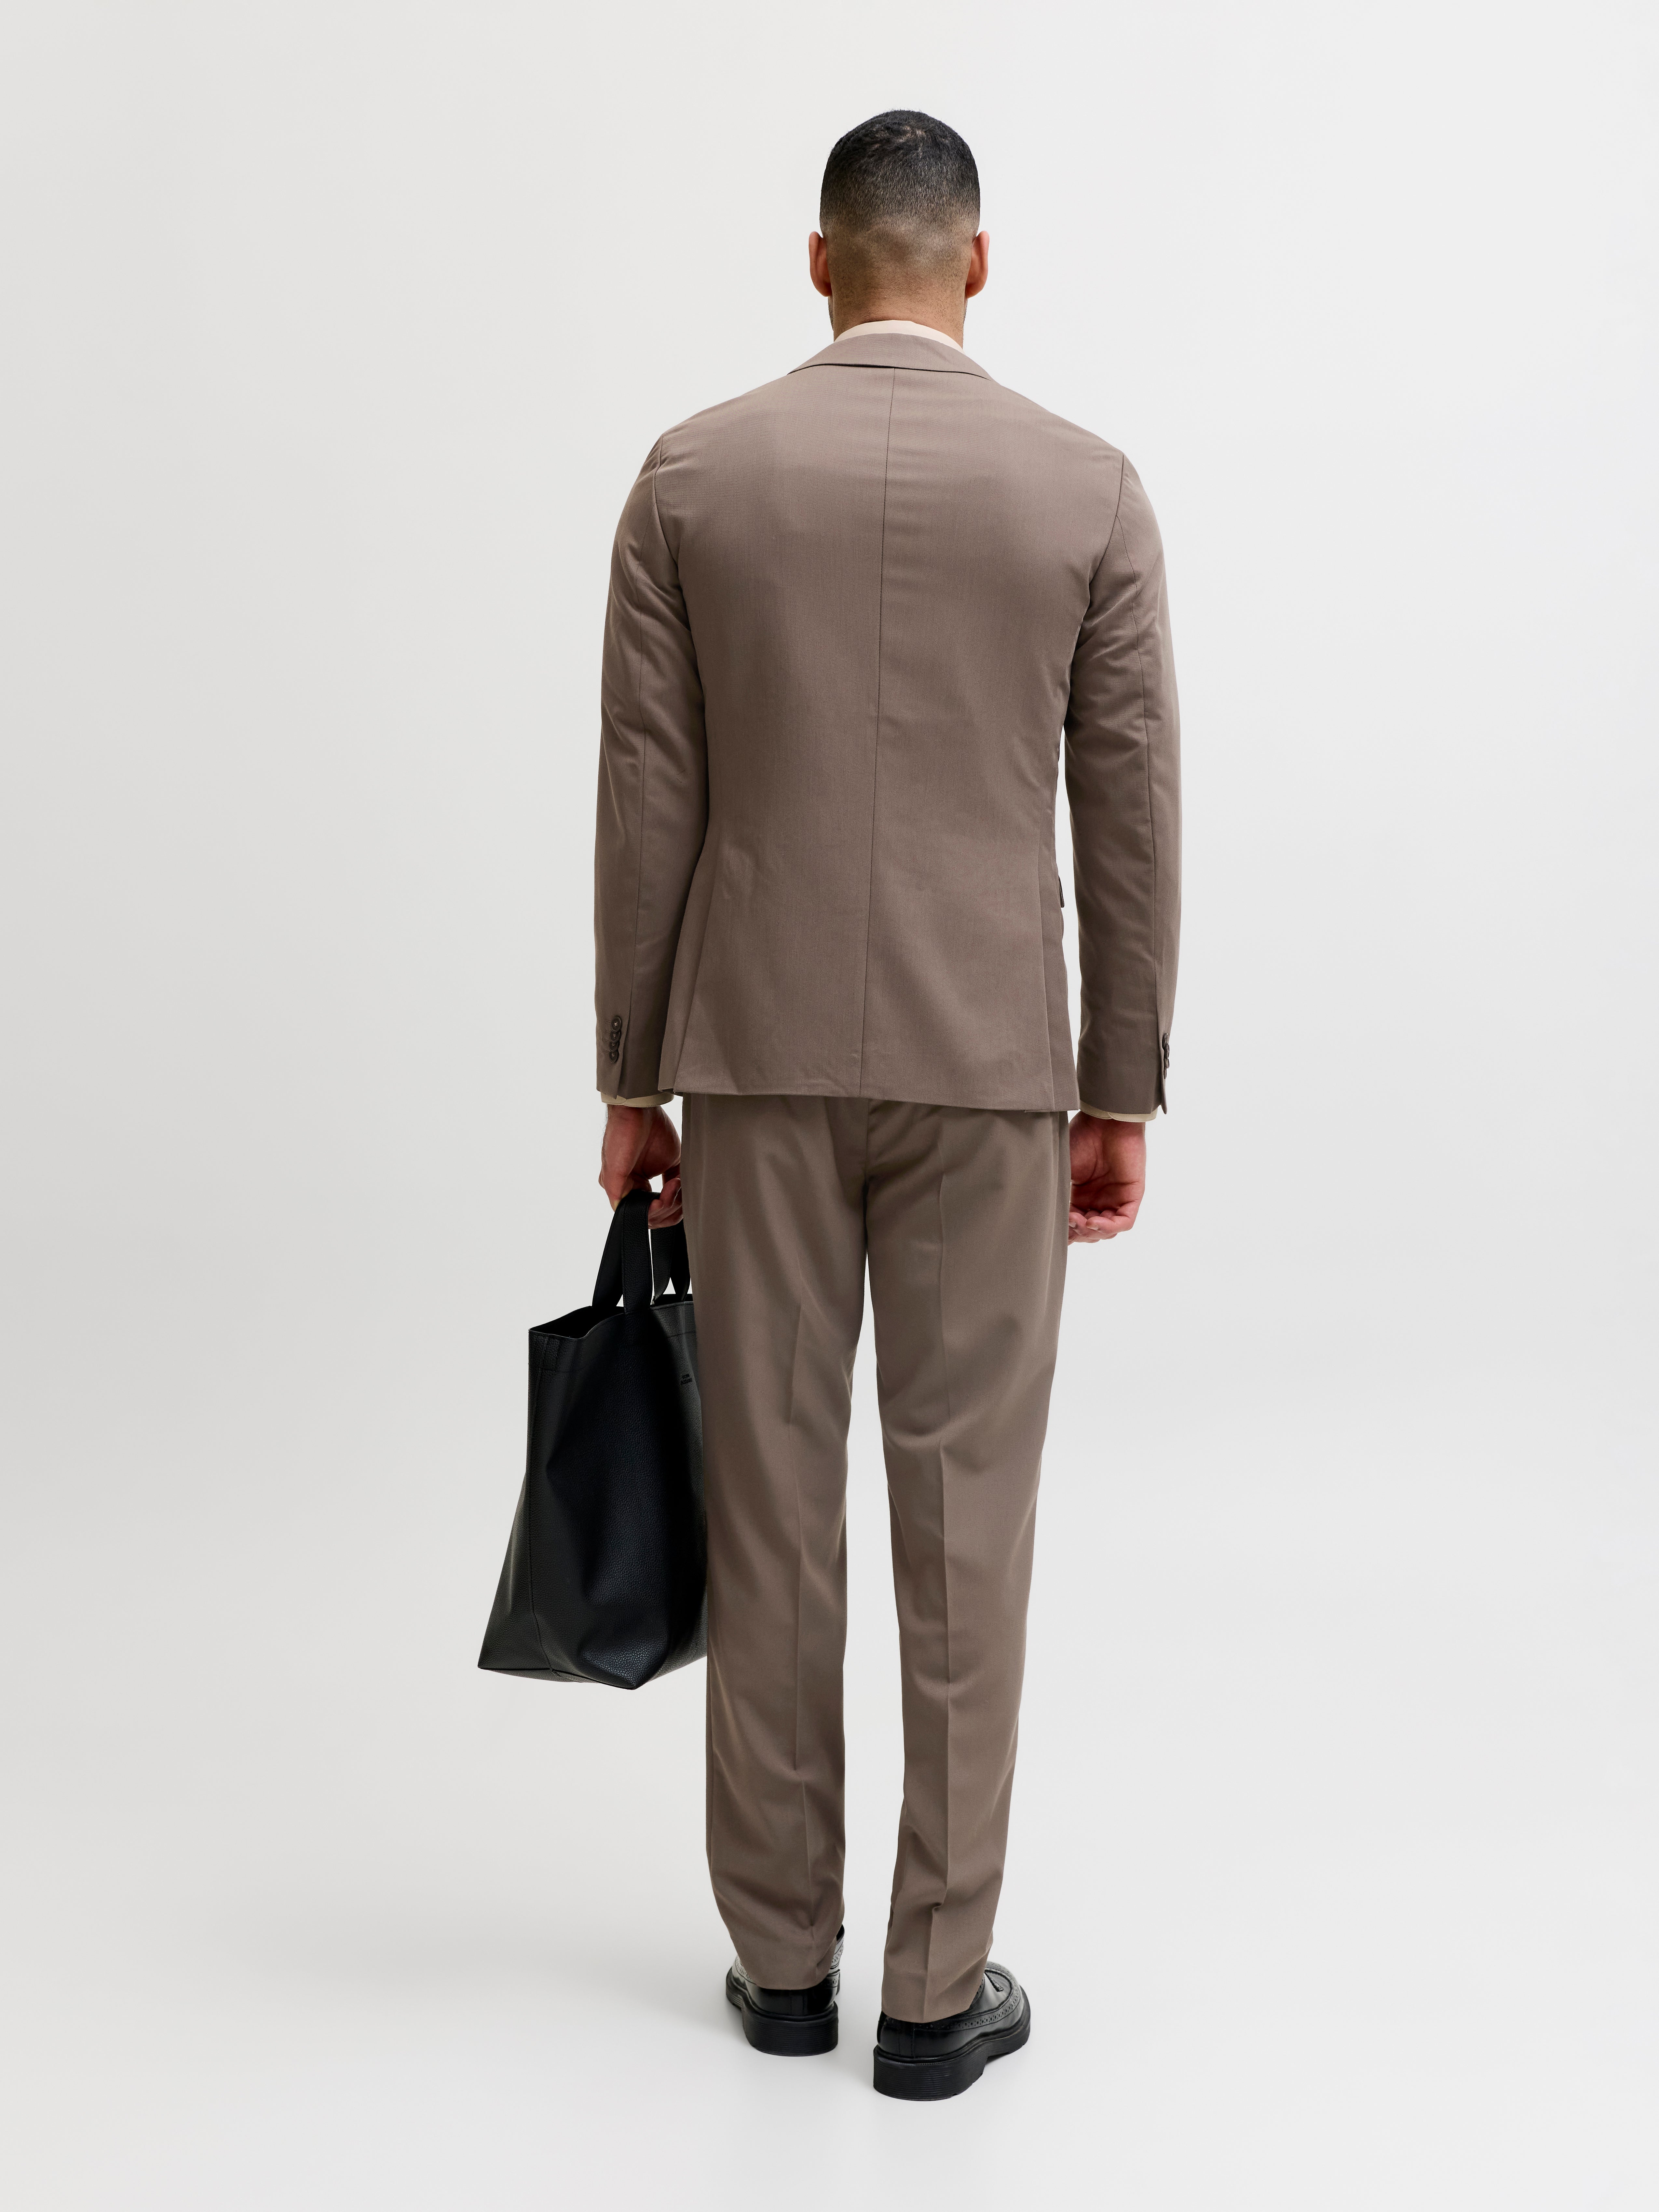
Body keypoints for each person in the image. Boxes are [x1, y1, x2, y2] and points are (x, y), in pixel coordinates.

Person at [591, 109, 1180, 2101]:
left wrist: (634, 1077)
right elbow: (1129, 813)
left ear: (819, 260)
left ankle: (780, 1965)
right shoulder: (1088, 490)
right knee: (967, 1518)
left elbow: (649, 797)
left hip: (753, 1062)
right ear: (978, 264)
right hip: (992, 1066)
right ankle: (934, 1993)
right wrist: (1120, 1087)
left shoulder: (694, 476)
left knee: (772, 1509)